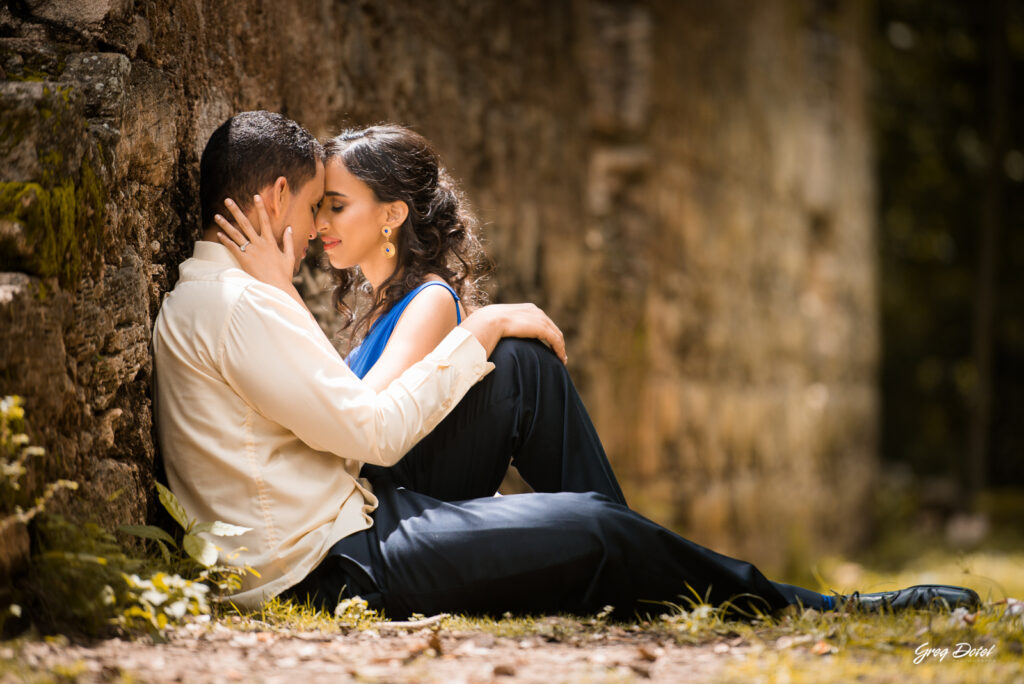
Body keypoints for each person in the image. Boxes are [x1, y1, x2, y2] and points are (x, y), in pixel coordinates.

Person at [156, 110, 979, 620]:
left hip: (353, 522)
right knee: (592, 525)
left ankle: (648, 566)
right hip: (336, 564)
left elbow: (331, 413)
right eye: (309, 209)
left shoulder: (234, 296)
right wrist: (481, 329)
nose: (311, 233)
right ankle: (817, 606)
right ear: (270, 203)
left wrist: (478, 333)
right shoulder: (243, 304)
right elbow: (366, 427)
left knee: (528, 380)